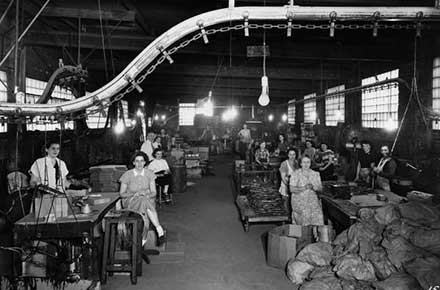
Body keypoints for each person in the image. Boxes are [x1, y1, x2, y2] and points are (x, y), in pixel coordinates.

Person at [119, 151, 165, 246]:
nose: (139, 163)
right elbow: (122, 194)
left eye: (142, 161)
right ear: (133, 163)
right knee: (144, 202)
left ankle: (143, 239)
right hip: (131, 201)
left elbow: (154, 193)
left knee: (144, 201)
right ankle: (158, 229)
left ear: (145, 162)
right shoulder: (127, 175)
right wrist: (134, 194)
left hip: (146, 201)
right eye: (137, 161)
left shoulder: (150, 174)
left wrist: (146, 195)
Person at [289, 156, 324, 226]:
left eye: (308, 162)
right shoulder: (295, 174)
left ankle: (315, 236)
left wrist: (315, 188)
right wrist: (304, 188)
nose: (306, 164)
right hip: (300, 204)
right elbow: (291, 189)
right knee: (300, 228)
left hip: (313, 204)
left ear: (310, 163)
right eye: (304, 162)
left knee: (316, 225)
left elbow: (320, 188)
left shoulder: (316, 174)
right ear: (301, 164)